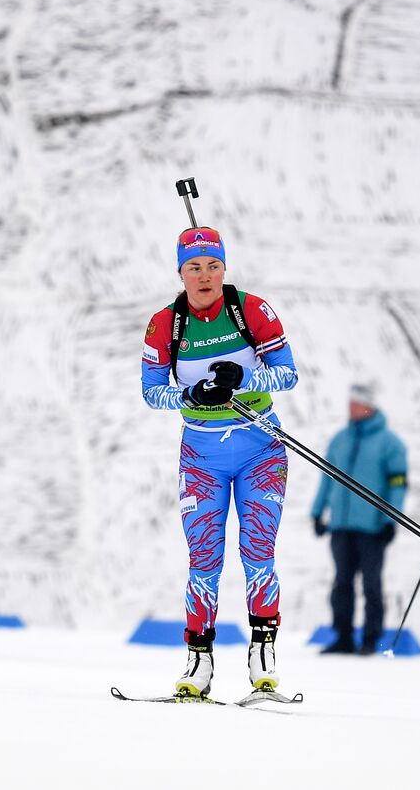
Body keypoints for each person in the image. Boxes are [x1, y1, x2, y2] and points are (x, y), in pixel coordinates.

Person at [141, 226, 299, 699]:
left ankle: (263, 656)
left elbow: (288, 373)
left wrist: (244, 375)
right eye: (194, 267)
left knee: (258, 553)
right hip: (202, 457)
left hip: (260, 451)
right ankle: (199, 661)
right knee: (204, 559)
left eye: (213, 266)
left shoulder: (250, 310)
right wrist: (192, 392)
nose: (204, 276)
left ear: (224, 268)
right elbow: (152, 392)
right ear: (180, 273)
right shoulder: (165, 324)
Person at [310, 383, 409, 655]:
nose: (350, 408)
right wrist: (318, 513)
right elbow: (327, 479)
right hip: (340, 526)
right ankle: (342, 636)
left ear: (369, 406)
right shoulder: (340, 440)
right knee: (341, 583)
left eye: (355, 404)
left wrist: (391, 521)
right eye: (349, 404)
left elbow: (398, 485)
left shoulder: (390, 444)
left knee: (371, 584)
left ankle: (371, 638)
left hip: (372, 528)